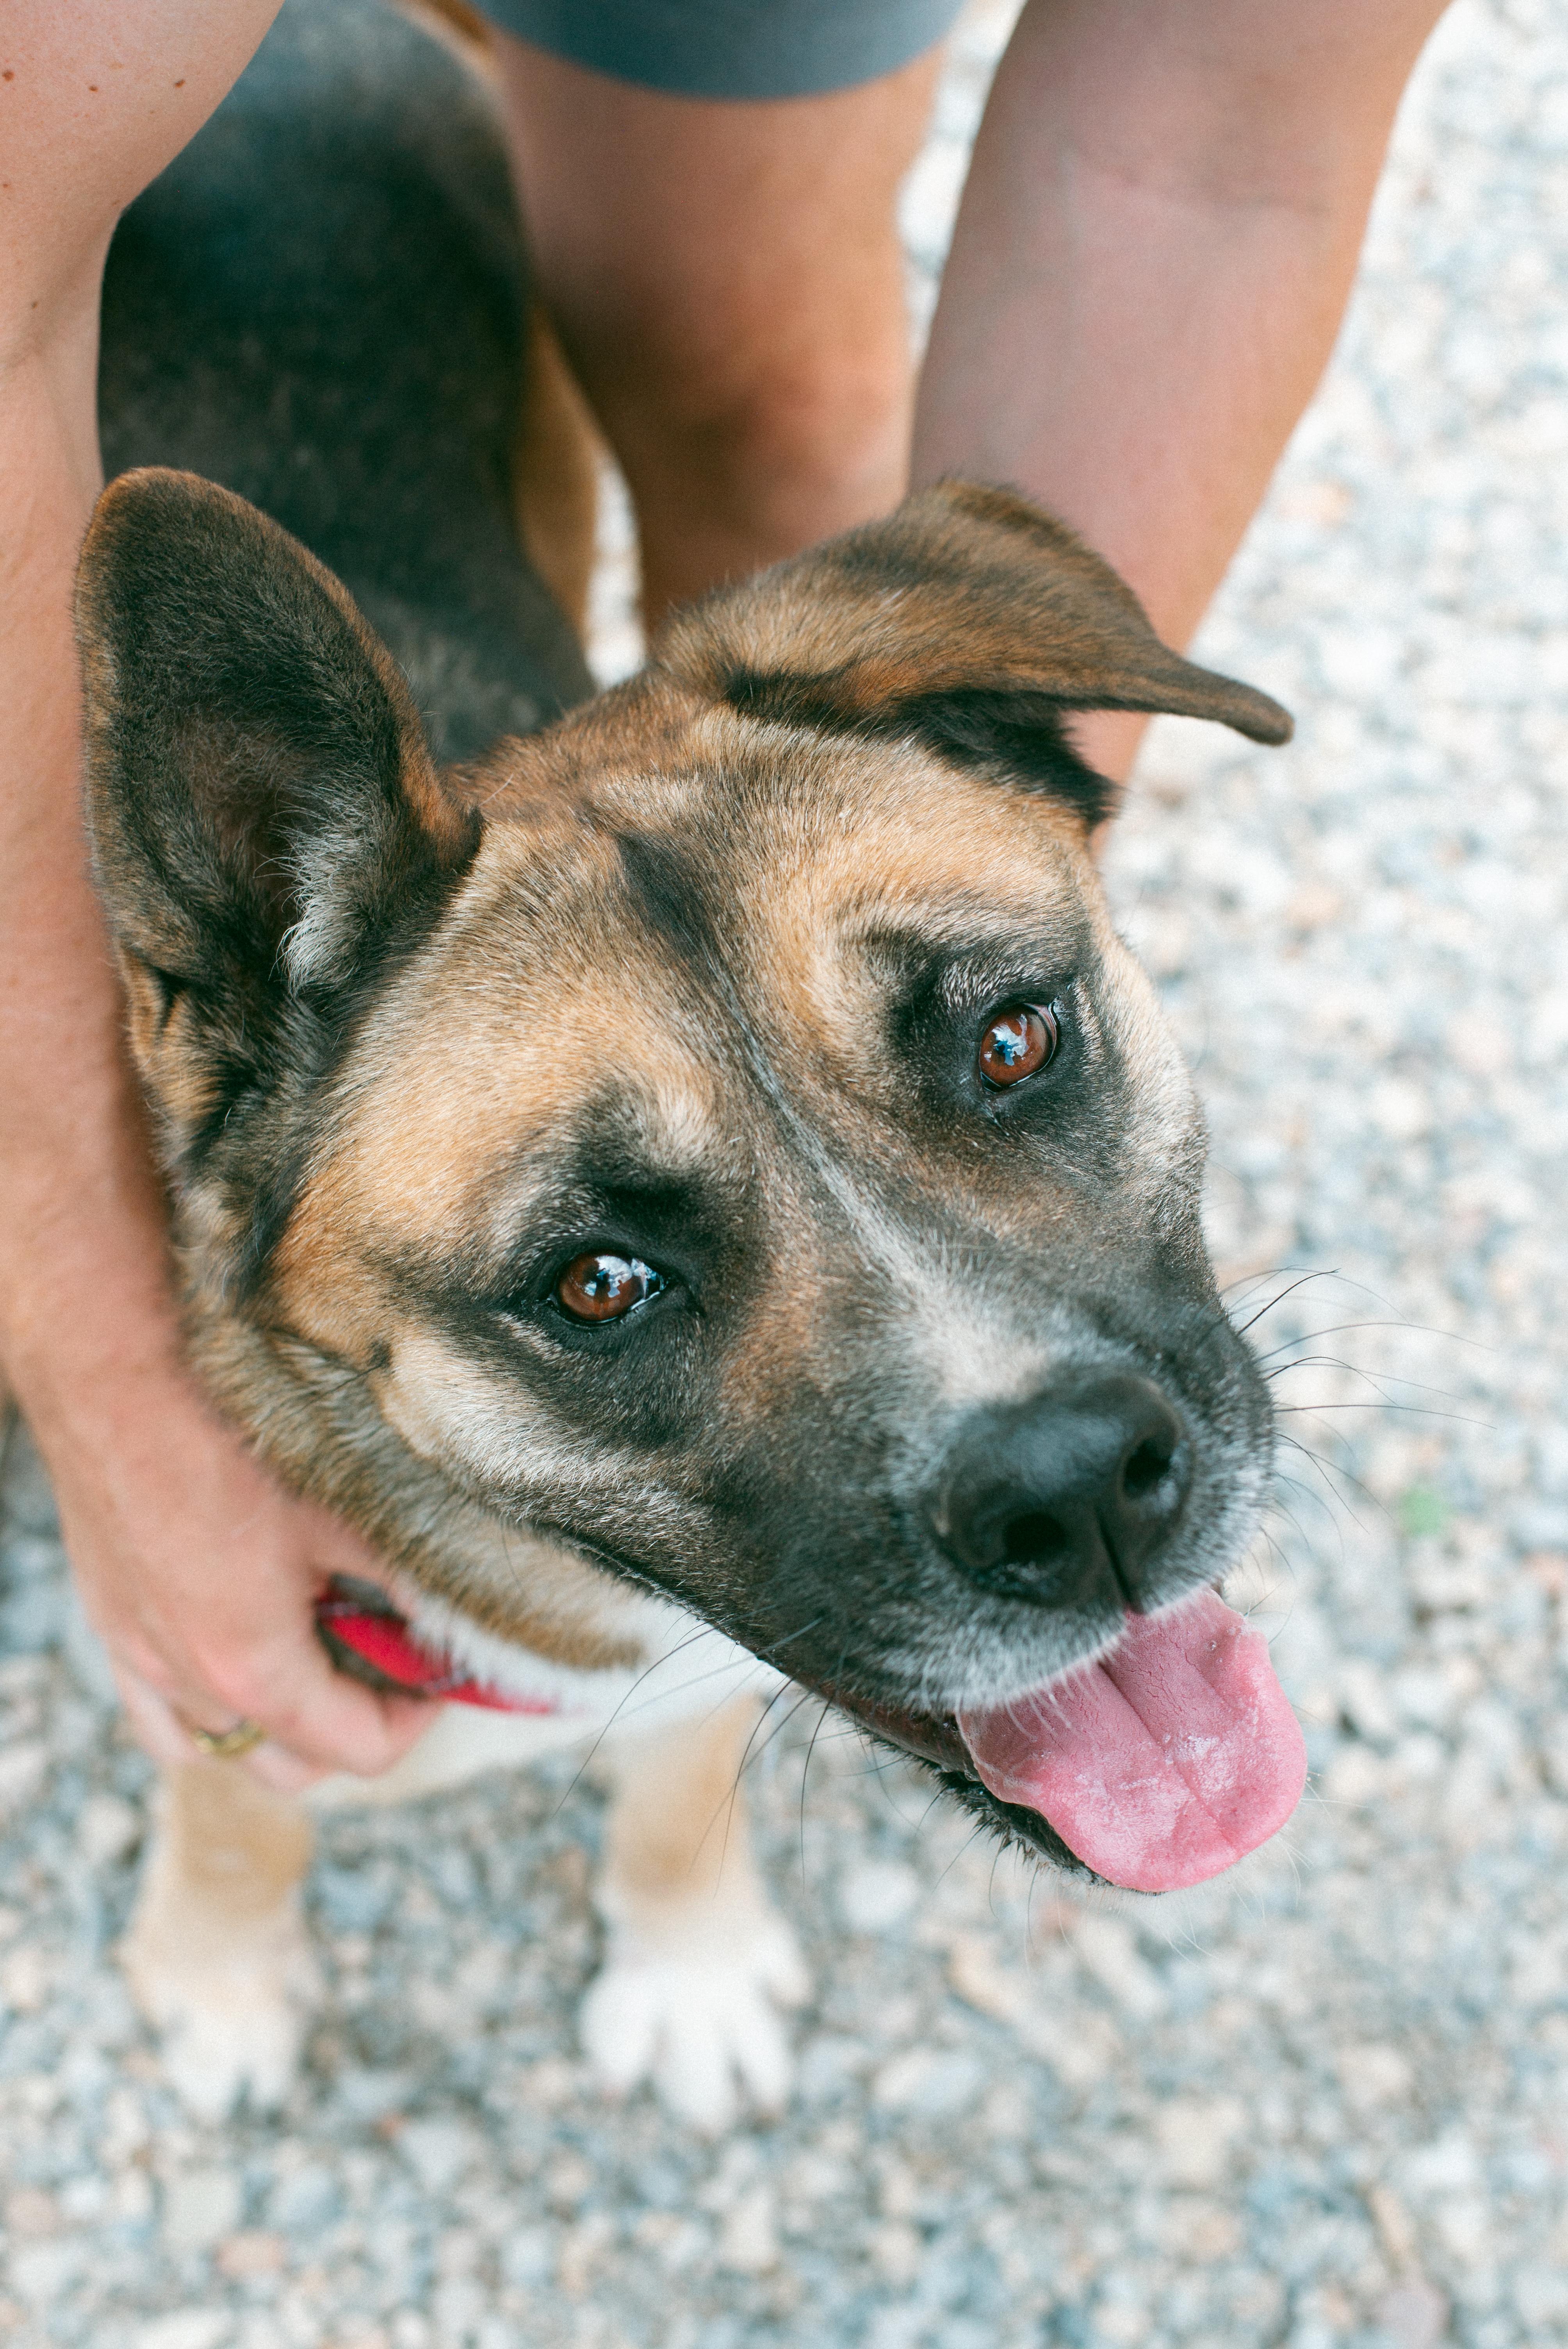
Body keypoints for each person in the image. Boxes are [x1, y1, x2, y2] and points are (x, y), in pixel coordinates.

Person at [0, 0, 1448, 1789]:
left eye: (1008, 1042)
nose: (1030, 1424)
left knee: (754, 381)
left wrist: (1010, 785)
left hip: (373, 184)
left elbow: (1215, 141)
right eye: (604, 1280)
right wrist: (112, 1387)